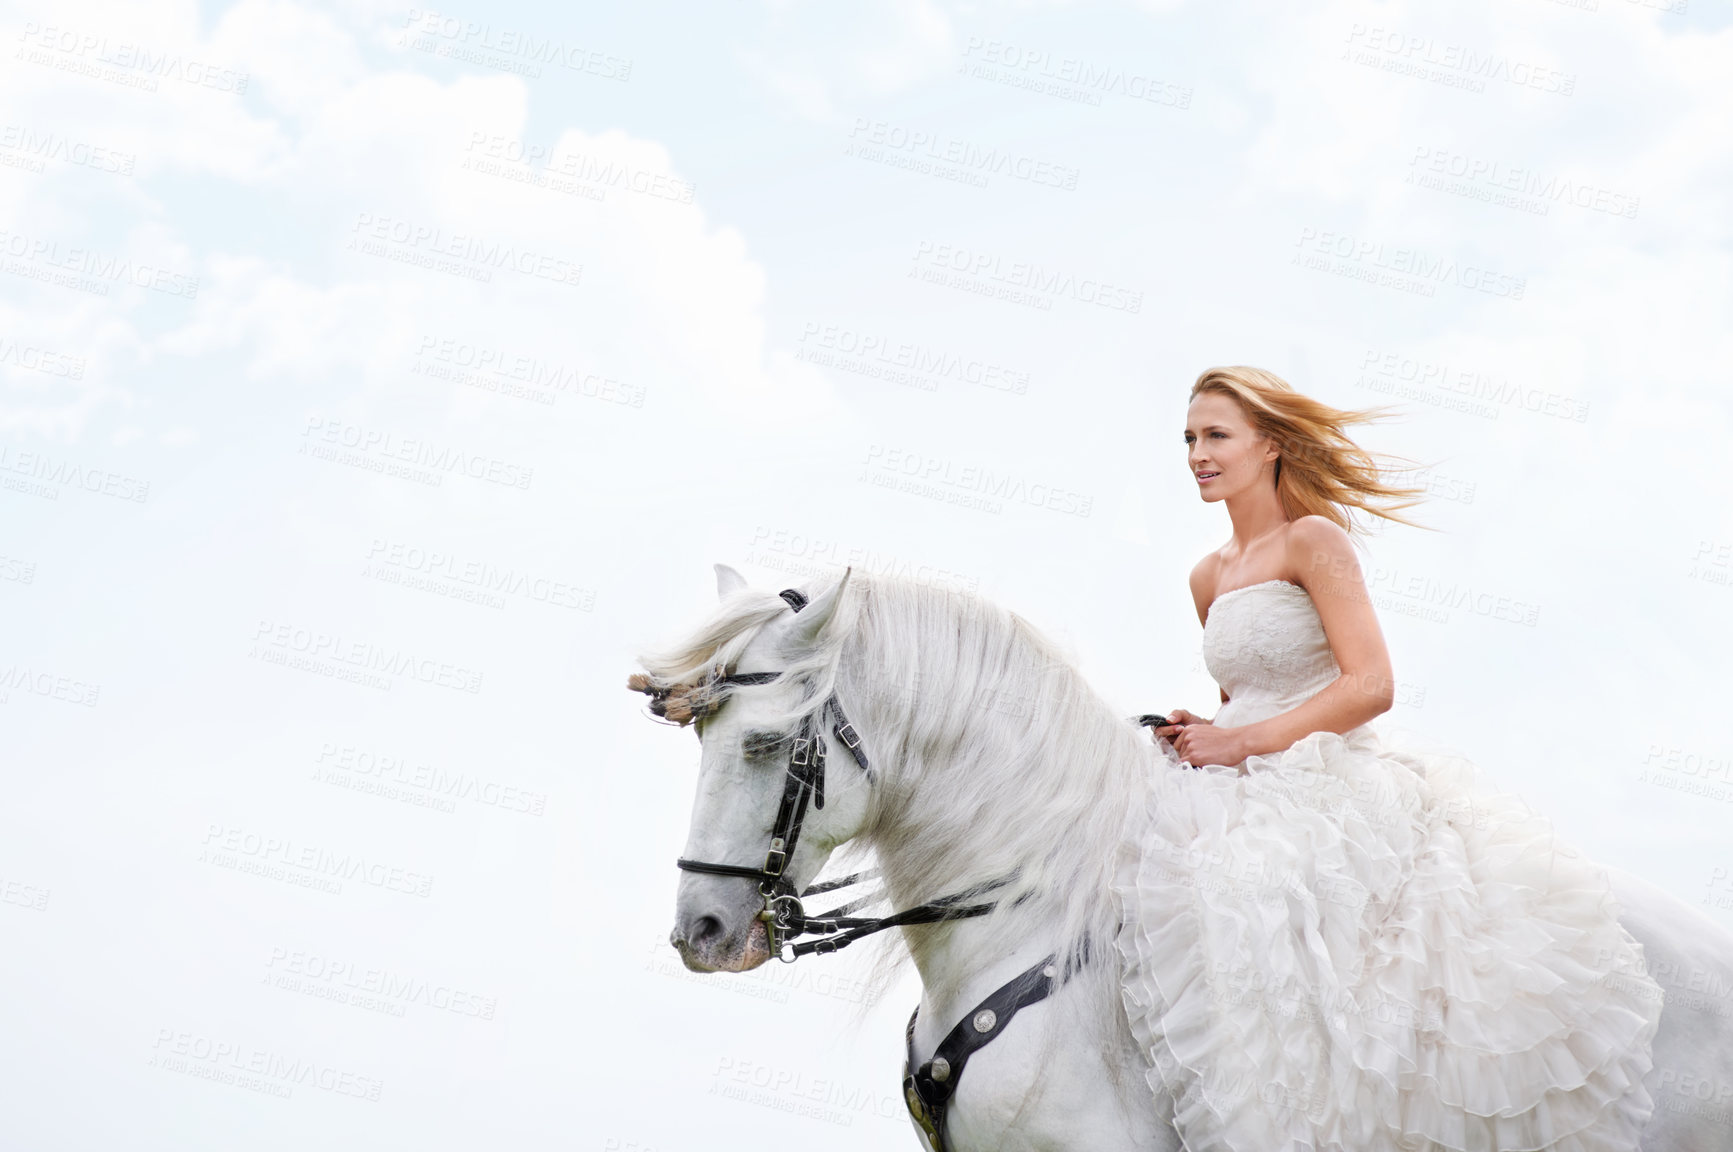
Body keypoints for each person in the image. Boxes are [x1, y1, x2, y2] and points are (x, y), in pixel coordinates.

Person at [1112, 366, 1664, 1151]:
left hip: (1327, 773)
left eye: (1216, 436)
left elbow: (1369, 684)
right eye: (1190, 439)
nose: (1197, 453)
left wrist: (1237, 741)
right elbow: (1249, 691)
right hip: (1242, 777)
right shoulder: (1206, 575)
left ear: (1268, 445)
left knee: (1273, 906)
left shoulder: (1314, 540)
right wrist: (1207, 726)